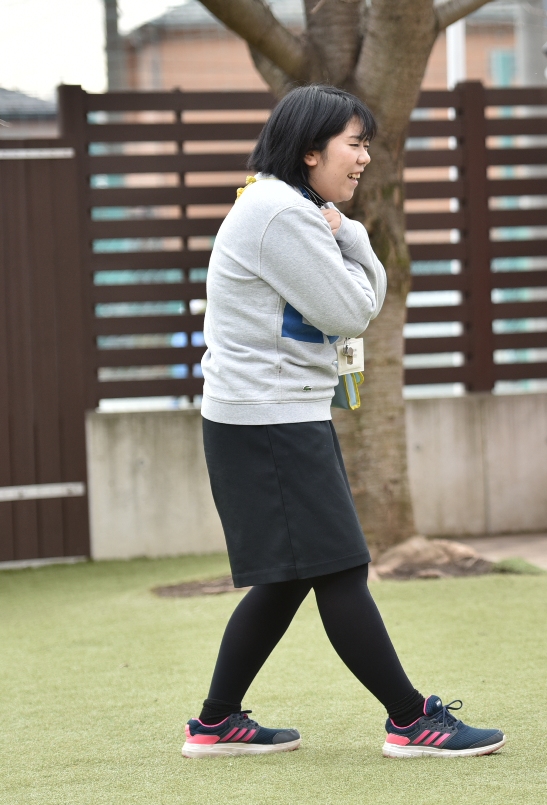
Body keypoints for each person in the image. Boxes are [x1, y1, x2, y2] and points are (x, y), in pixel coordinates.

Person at [184, 85, 504, 759]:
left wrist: (348, 236)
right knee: (339, 568)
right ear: (309, 150)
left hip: (271, 415)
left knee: (291, 573)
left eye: (366, 144)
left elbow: (357, 299)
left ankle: (216, 722)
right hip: (269, 421)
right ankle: (411, 718)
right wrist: (354, 237)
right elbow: (355, 309)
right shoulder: (283, 214)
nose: (364, 159)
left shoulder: (289, 207)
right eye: (354, 144)